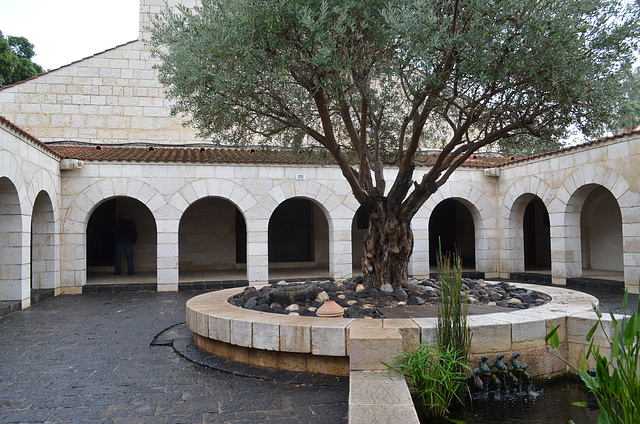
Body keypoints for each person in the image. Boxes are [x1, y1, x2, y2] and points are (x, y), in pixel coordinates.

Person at [114, 211, 137, 275]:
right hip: (129, 242)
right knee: (129, 258)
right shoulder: (131, 222)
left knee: (118, 257)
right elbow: (134, 232)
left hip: (120, 242)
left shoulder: (119, 222)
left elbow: (115, 229)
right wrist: (134, 240)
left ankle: (117, 271)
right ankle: (130, 272)